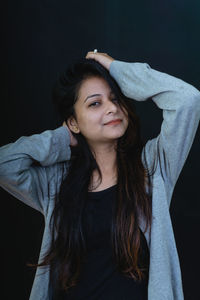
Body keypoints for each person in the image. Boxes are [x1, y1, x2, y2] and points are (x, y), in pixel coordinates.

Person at [0, 50, 200, 300]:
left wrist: (116, 68)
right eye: (95, 103)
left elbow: (187, 100)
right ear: (73, 122)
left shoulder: (152, 168)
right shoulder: (57, 183)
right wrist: (62, 138)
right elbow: (5, 164)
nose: (112, 109)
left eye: (116, 99)